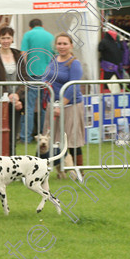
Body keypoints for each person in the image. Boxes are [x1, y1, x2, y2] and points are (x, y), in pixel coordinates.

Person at [43, 32, 84, 167]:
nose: (62, 46)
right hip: (52, 103)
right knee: (50, 138)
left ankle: (78, 170)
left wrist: (60, 106)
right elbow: (46, 77)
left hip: (70, 106)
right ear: (55, 45)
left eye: (65, 44)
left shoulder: (74, 63)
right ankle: (50, 169)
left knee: (71, 139)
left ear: (71, 45)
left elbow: (73, 87)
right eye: (59, 43)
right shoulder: (53, 59)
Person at [0, 25, 26, 154]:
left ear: (12, 39)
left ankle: (12, 158)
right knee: (0, 132)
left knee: (13, 133)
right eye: (3, 38)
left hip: (17, 101)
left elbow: (25, 78)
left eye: (8, 38)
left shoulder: (18, 55)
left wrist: (17, 96)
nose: (6, 41)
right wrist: (8, 96)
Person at [19, 18, 54, 143]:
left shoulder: (28, 35)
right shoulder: (50, 36)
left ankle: (25, 137)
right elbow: (54, 56)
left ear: (30, 27)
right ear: (42, 25)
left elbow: (24, 54)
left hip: (31, 75)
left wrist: (25, 69)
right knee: (44, 106)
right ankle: (44, 135)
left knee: (29, 107)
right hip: (47, 76)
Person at [98, 29, 128, 93]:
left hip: (117, 69)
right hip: (108, 69)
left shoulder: (118, 42)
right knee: (107, 87)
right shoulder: (104, 42)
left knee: (120, 88)